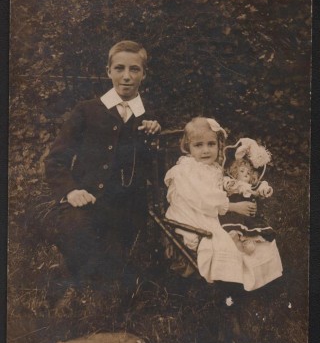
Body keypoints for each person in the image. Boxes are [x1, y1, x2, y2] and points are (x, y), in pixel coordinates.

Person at [42, 40, 161, 303]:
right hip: (85, 201)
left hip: (126, 209)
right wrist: (71, 191)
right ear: (108, 71)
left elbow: (150, 168)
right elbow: (55, 160)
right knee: (76, 230)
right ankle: (75, 283)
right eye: (119, 68)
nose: (126, 77)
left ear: (144, 74)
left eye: (134, 70)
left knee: (117, 270)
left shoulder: (149, 116)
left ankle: (92, 284)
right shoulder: (86, 110)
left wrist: (154, 138)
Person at [164, 117, 254, 286]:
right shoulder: (186, 169)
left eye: (211, 144)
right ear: (188, 147)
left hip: (207, 210)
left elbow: (219, 188)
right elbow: (203, 197)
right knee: (219, 241)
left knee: (238, 233)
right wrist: (233, 206)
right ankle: (227, 282)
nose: (206, 150)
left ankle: (244, 271)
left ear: (218, 145)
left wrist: (241, 187)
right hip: (190, 212)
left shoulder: (213, 167)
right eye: (198, 145)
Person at [221, 137, 283, 291]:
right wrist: (228, 184)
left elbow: (262, 186)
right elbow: (224, 185)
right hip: (234, 214)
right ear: (234, 171)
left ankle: (250, 243)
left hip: (250, 218)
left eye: (248, 172)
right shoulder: (233, 184)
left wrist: (264, 190)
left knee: (259, 233)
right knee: (235, 230)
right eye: (241, 171)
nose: (245, 175)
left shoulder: (252, 185)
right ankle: (240, 241)